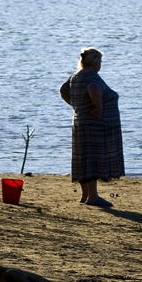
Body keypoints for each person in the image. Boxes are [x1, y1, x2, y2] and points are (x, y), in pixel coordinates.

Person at [60, 47, 125, 207]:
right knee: (93, 158)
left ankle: (85, 195)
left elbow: (63, 91)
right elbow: (93, 88)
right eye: (100, 61)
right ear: (95, 62)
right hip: (95, 125)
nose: (100, 64)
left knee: (83, 157)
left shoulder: (76, 76)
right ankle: (93, 197)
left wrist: (77, 107)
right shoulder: (91, 77)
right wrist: (98, 107)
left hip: (80, 121)